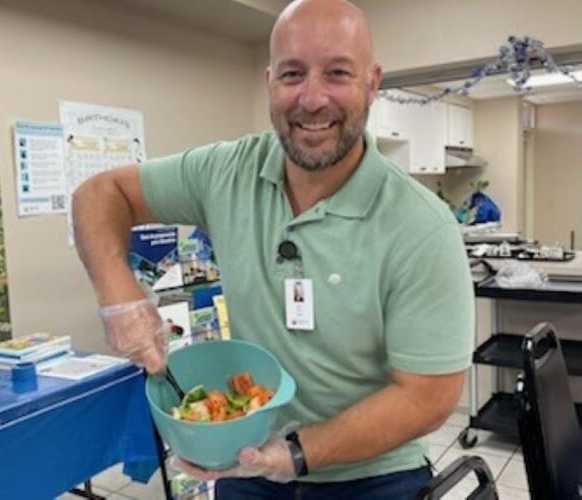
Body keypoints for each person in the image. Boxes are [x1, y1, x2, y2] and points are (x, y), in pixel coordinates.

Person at [72, 0, 474, 498]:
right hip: (251, 462)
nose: (311, 99)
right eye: (292, 74)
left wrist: (297, 454)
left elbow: (428, 398)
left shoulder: (421, 228)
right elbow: (98, 195)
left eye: (337, 73)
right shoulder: (226, 172)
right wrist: (120, 299)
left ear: (372, 82)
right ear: (269, 81)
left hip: (372, 475)